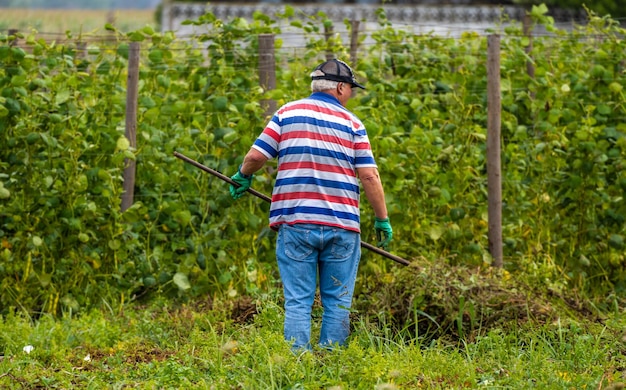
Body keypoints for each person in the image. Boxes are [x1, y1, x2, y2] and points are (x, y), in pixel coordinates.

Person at [229, 58, 392, 351]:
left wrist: (243, 176)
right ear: (340, 88)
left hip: (295, 222)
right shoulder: (353, 124)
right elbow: (369, 175)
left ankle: (296, 366)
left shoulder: (287, 113)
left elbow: (256, 157)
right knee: (339, 302)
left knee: (298, 301)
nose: (351, 94)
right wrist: (382, 219)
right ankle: (331, 366)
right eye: (351, 88)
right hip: (342, 226)